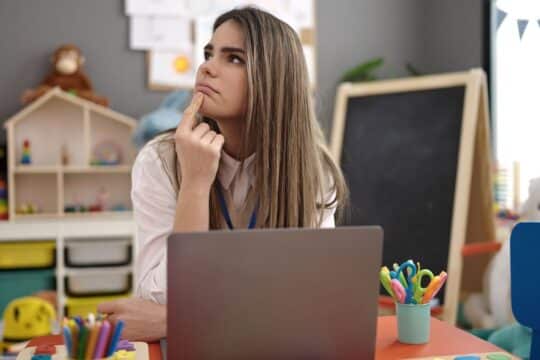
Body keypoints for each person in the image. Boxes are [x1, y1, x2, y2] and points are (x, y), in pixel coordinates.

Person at [98, 6, 348, 341]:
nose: (206, 67)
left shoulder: (313, 172)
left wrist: (174, 321)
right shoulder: (159, 160)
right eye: (208, 53)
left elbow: (309, 303)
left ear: (274, 79)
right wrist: (195, 186)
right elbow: (161, 298)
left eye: (234, 58)